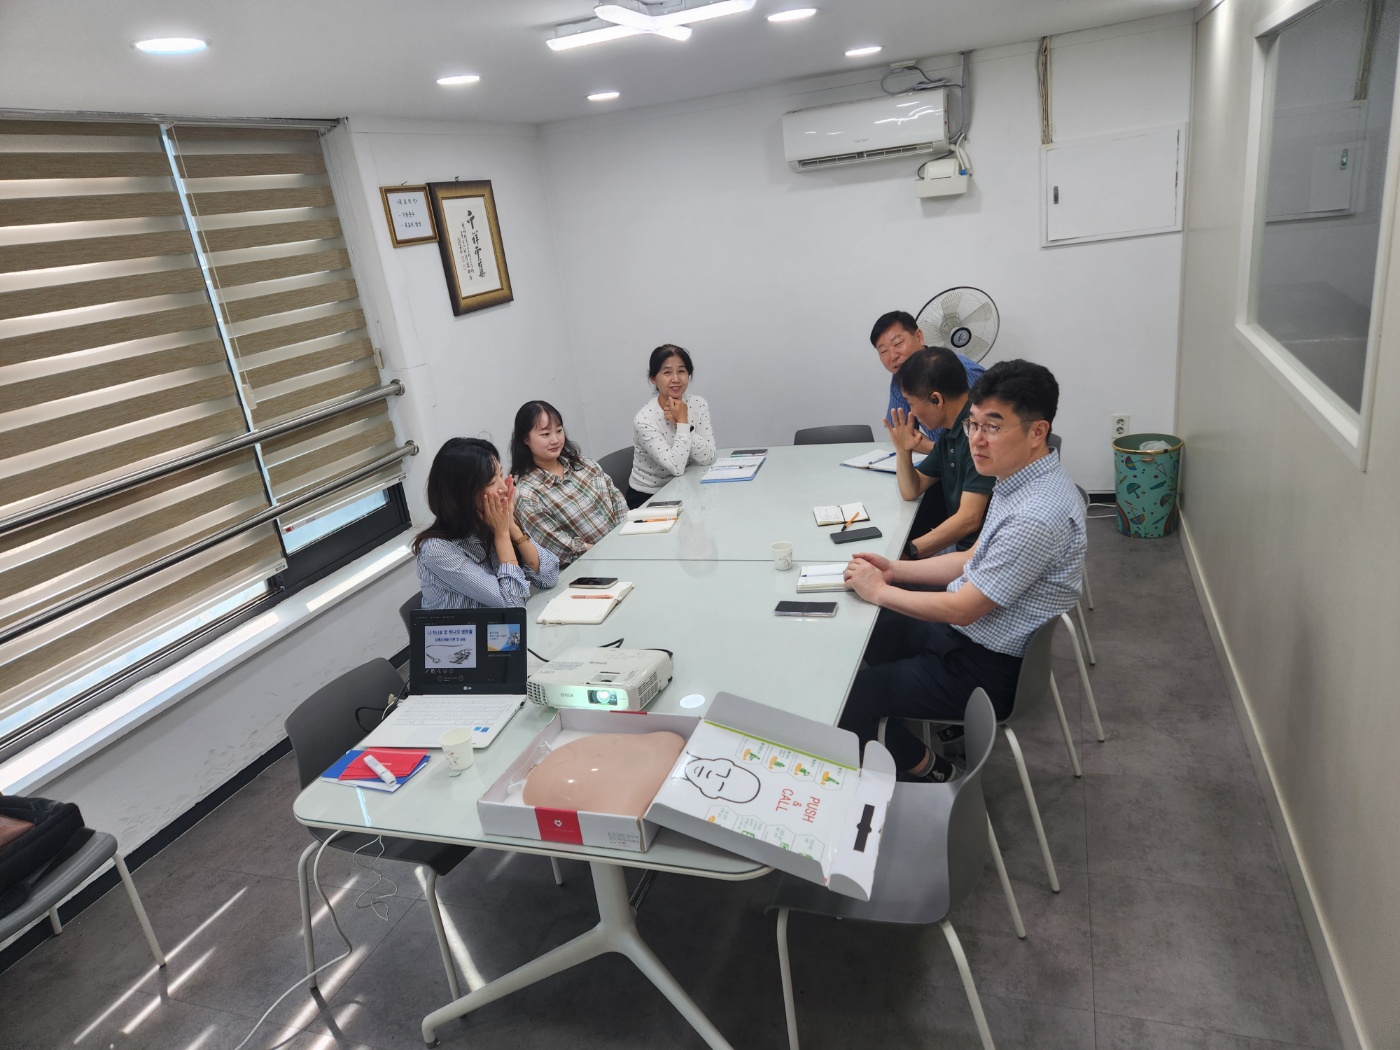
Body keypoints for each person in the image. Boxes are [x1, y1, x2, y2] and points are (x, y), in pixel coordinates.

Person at [838, 360, 1085, 781]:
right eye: (973, 424)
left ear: (1037, 432)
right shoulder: (1019, 478)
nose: (977, 440)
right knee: (871, 631)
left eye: (993, 427)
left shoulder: (1035, 516)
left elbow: (964, 609)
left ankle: (935, 771)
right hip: (969, 638)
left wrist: (879, 590)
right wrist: (894, 569)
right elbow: (973, 558)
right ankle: (909, 714)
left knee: (847, 699)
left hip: (984, 667)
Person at [414, 437, 559, 609]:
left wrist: (511, 526)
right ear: (462, 493)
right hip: (472, 628)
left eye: (501, 475)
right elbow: (514, 607)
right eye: (491, 482)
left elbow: (549, 577)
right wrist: (502, 535)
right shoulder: (437, 550)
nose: (503, 488)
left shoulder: (490, 522)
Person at [886, 347, 993, 558]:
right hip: (959, 549)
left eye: (911, 403)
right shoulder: (949, 434)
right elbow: (911, 490)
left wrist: (909, 552)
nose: (912, 412)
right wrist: (903, 450)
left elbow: (969, 519)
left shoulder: (978, 436)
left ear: (936, 400)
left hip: (978, 556)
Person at [509, 399, 628, 567]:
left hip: (625, 546)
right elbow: (562, 548)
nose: (555, 440)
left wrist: (625, 538)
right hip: (589, 567)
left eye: (559, 431)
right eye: (545, 434)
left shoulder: (583, 464)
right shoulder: (528, 494)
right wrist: (612, 552)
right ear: (525, 439)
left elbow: (617, 499)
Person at [870, 310, 986, 453]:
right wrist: (940, 452)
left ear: (919, 337)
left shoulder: (962, 370)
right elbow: (903, 433)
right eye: (883, 351)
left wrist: (941, 452)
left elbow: (988, 432)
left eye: (898, 343)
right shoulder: (899, 378)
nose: (893, 356)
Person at [626, 344, 716, 509]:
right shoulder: (644, 419)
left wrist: (683, 422)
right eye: (667, 372)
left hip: (687, 486)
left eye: (681, 371)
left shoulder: (698, 404)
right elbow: (676, 467)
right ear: (653, 378)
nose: (676, 379)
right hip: (650, 497)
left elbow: (708, 457)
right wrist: (682, 422)